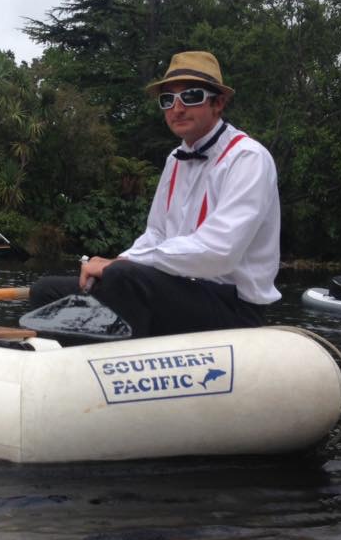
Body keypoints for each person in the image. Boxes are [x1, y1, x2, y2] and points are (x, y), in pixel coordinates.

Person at [29, 50, 281, 338]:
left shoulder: (247, 158)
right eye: (167, 100)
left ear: (218, 103)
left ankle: (120, 367)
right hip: (176, 289)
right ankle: (61, 365)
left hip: (232, 305)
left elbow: (218, 252)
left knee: (122, 276)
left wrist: (119, 267)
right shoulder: (175, 158)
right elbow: (156, 235)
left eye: (191, 96)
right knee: (46, 290)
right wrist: (117, 261)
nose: (177, 108)